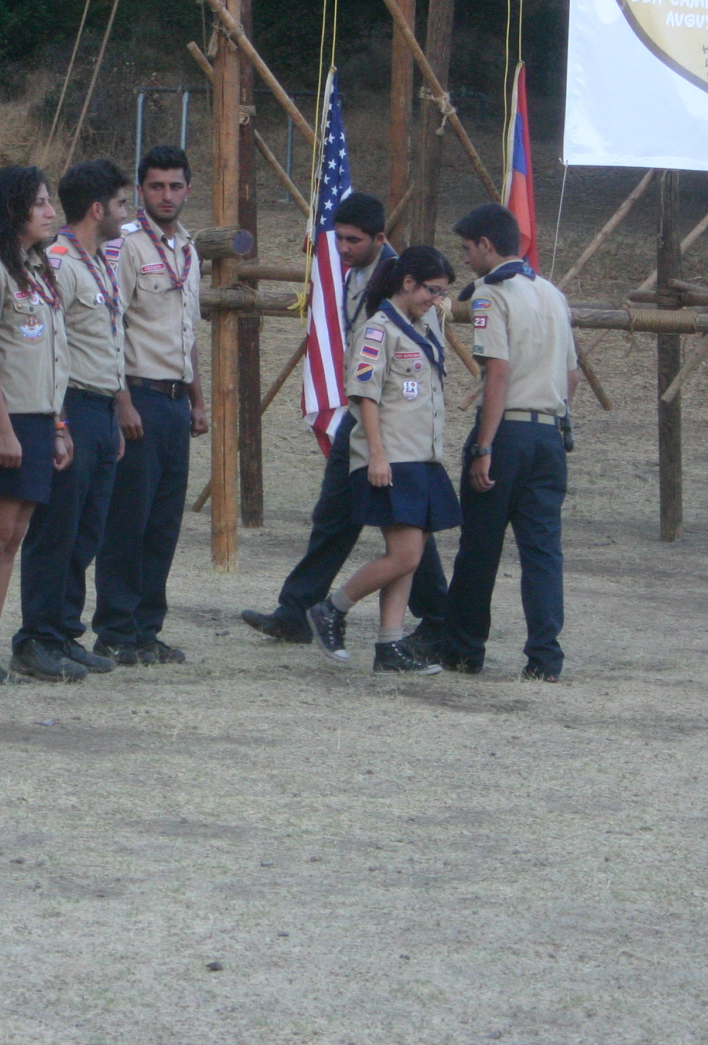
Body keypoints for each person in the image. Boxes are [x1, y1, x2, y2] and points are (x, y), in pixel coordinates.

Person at [238, 193, 452, 650]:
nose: (343, 248)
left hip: (393, 423)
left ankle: (438, 620)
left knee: (411, 529)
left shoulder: (408, 283)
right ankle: (296, 611)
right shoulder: (354, 275)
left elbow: (424, 356)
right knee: (334, 516)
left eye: (353, 240)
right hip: (360, 415)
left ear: (380, 238)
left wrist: (390, 438)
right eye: (338, 239)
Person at [434, 202, 580, 681]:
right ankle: (545, 658)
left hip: (507, 431)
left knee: (480, 547)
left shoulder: (490, 296)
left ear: (486, 245)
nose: (466, 259)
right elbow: (572, 375)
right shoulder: (553, 294)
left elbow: (496, 372)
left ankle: (464, 649)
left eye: (467, 249)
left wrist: (484, 446)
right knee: (543, 552)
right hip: (549, 433)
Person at [305, 245, 460, 673]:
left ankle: (389, 645)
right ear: (407, 283)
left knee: (408, 556)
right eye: (432, 290)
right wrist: (376, 454)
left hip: (422, 456)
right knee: (405, 557)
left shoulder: (424, 325)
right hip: (393, 456)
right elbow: (365, 396)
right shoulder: (378, 330)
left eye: (442, 293)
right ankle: (332, 609)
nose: (437, 300)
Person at [8, 159, 132, 681]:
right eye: (122, 204)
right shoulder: (58, 261)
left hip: (100, 405)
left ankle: (63, 631)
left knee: (86, 530)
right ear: (98, 209)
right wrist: (60, 422)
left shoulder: (98, 261)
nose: (127, 214)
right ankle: (36, 637)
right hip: (72, 403)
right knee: (57, 528)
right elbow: (50, 344)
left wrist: (117, 410)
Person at [0, 166, 73, 685]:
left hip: (40, 416)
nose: (50, 213)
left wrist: (59, 426)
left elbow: (53, 356)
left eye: (50, 202)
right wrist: (1, 427)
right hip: (9, 417)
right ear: (14, 208)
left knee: (12, 538)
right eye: (40, 203)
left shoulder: (38, 267)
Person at [93, 145, 208, 665]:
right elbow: (110, 327)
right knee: (128, 521)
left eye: (175, 186)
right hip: (137, 395)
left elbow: (188, 332)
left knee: (163, 523)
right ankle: (116, 629)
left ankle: (146, 629)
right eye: (156, 186)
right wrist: (122, 403)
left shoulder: (187, 247)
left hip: (175, 401)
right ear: (140, 191)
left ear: (188, 190)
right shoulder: (127, 247)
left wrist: (197, 399)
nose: (167, 195)